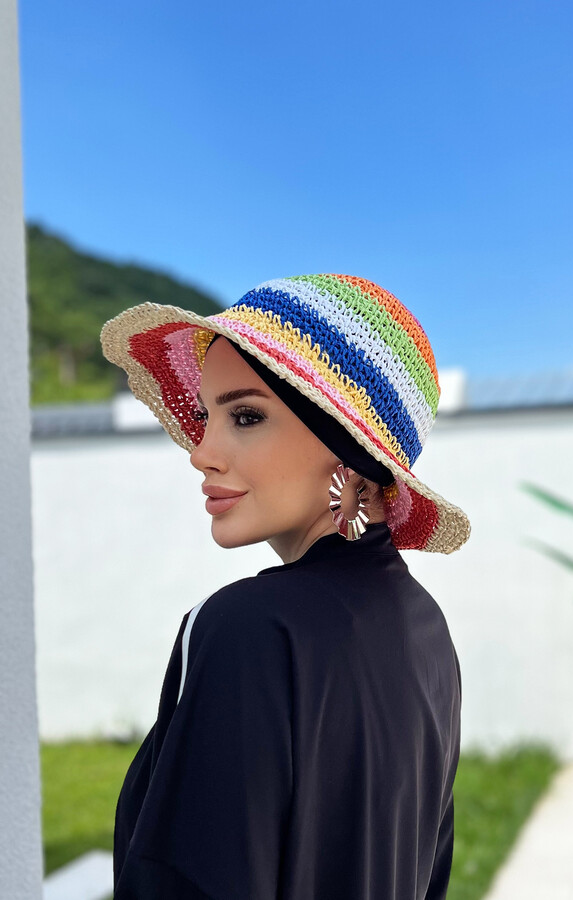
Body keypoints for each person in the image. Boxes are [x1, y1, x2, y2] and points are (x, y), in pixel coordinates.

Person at [100, 273, 471, 899]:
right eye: (205, 416)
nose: (200, 452)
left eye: (246, 415)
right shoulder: (429, 632)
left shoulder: (247, 627)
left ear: (350, 451)